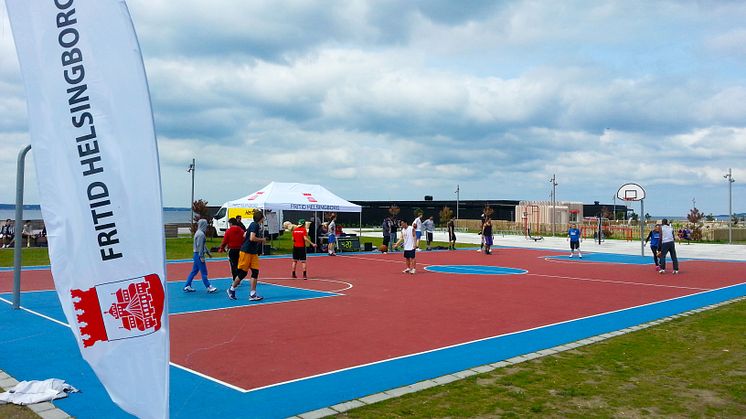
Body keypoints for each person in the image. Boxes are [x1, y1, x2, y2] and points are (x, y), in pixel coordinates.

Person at [228, 211, 267, 301]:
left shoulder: (253, 225)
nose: (263, 220)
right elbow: (252, 238)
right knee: (243, 273)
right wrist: (262, 240)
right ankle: (231, 289)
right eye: (263, 218)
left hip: (252, 252)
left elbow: (245, 234)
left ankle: (252, 294)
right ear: (261, 218)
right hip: (246, 252)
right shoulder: (255, 225)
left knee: (255, 271)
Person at [183, 219, 218, 293]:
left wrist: (208, 253)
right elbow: (200, 246)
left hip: (196, 254)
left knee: (194, 271)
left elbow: (203, 245)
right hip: (198, 254)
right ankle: (208, 286)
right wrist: (201, 256)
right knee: (204, 272)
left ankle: (187, 285)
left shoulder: (198, 233)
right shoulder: (201, 234)